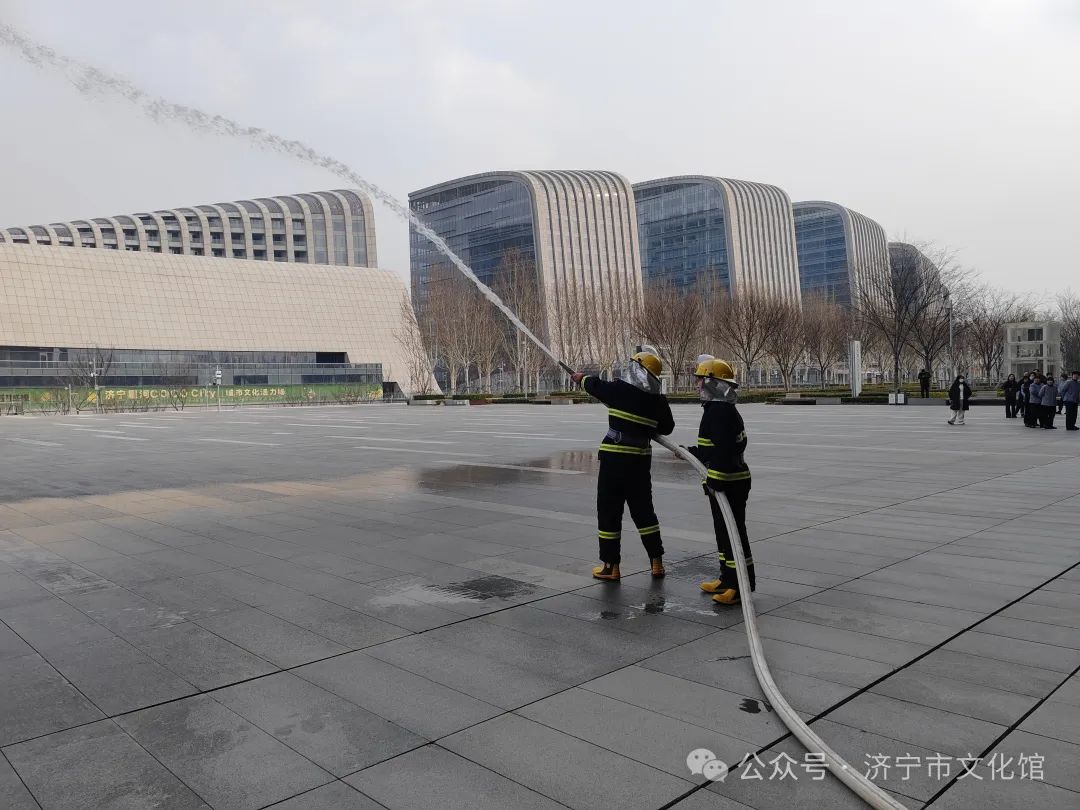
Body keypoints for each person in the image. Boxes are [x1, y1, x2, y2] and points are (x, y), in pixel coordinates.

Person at [571, 352, 674, 581]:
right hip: (640, 463)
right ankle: (657, 562)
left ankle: (611, 567)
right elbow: (667, 427)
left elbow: (596, 386)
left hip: (614, 462)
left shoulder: (619, 390)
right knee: (644, 512)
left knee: (609, 512)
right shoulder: (658, 401)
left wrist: (580, 378)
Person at [687, 358, 754, 606]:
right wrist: (691, 452)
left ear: (713, 383)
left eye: (700, 380)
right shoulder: (716, 409)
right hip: (726, 480)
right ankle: (727, 578)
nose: (697, 385)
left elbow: (725, 453)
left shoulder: (720, 412)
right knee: (724, 533)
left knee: (734, 534)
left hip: (730, 482)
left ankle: (739, 586)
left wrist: (714, 480)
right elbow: (712, 448)